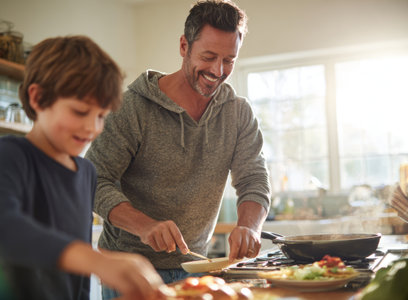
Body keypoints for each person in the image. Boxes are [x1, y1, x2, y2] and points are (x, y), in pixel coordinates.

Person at [86, 1, 271, 298]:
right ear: (184, 46)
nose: (218, 70)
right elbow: (93, 180)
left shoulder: (238, 113)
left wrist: (250, 227)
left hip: (196, 267)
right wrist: (145, 225)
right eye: (208, 57)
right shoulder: (132, 107)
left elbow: (254, 180)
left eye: (229, 60)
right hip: (131, 268)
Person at [0, 36, 164, 300]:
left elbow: (78, 278)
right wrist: (97, 261)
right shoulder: (9, 153)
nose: (92, 127)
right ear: (37, 98)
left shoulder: (86, 173)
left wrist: (91, 264)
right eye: (80, 111)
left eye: (101, 116)